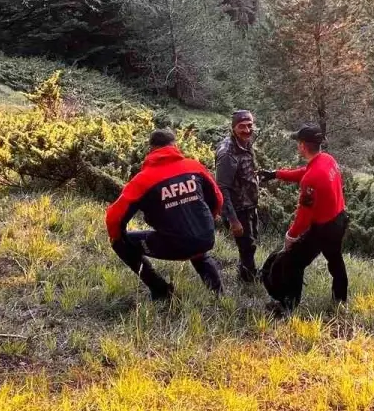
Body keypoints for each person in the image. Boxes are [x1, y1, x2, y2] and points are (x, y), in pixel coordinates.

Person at [104, 129, 224, 302]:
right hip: (205, 238)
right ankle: (219, 296)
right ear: (174, 145)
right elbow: (218, 198)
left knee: (120, 244)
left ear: (151, 149)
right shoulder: (194, 167)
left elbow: (114, 218)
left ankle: (161, 290)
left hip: (173, 244)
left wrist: (118, 237)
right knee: (197, 247)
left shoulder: (143, 180)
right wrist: (205, 222)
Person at [259, 123, 348, 311]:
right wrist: (276, 174)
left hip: (323, 228)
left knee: (293, 262)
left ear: (302, 145)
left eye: (298, 143)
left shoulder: (312, 178)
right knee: (335, 259)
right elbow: (305, 172)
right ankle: (340, 299)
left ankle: (287, 306)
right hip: (339, 219)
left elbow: (304, 216)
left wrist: (291, 236)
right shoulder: (327, 159)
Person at [215, 110, 261, 283]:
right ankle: (249, 279)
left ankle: (244, 271)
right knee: (247, 245)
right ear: (233, 128)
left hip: (250, 203)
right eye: (242, 126)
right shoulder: (227, 154)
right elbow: (222, 188)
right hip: (238, 208)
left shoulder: (246, 143)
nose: (247, 130)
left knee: (250, 241)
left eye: (250, 125)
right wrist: (233, 220)